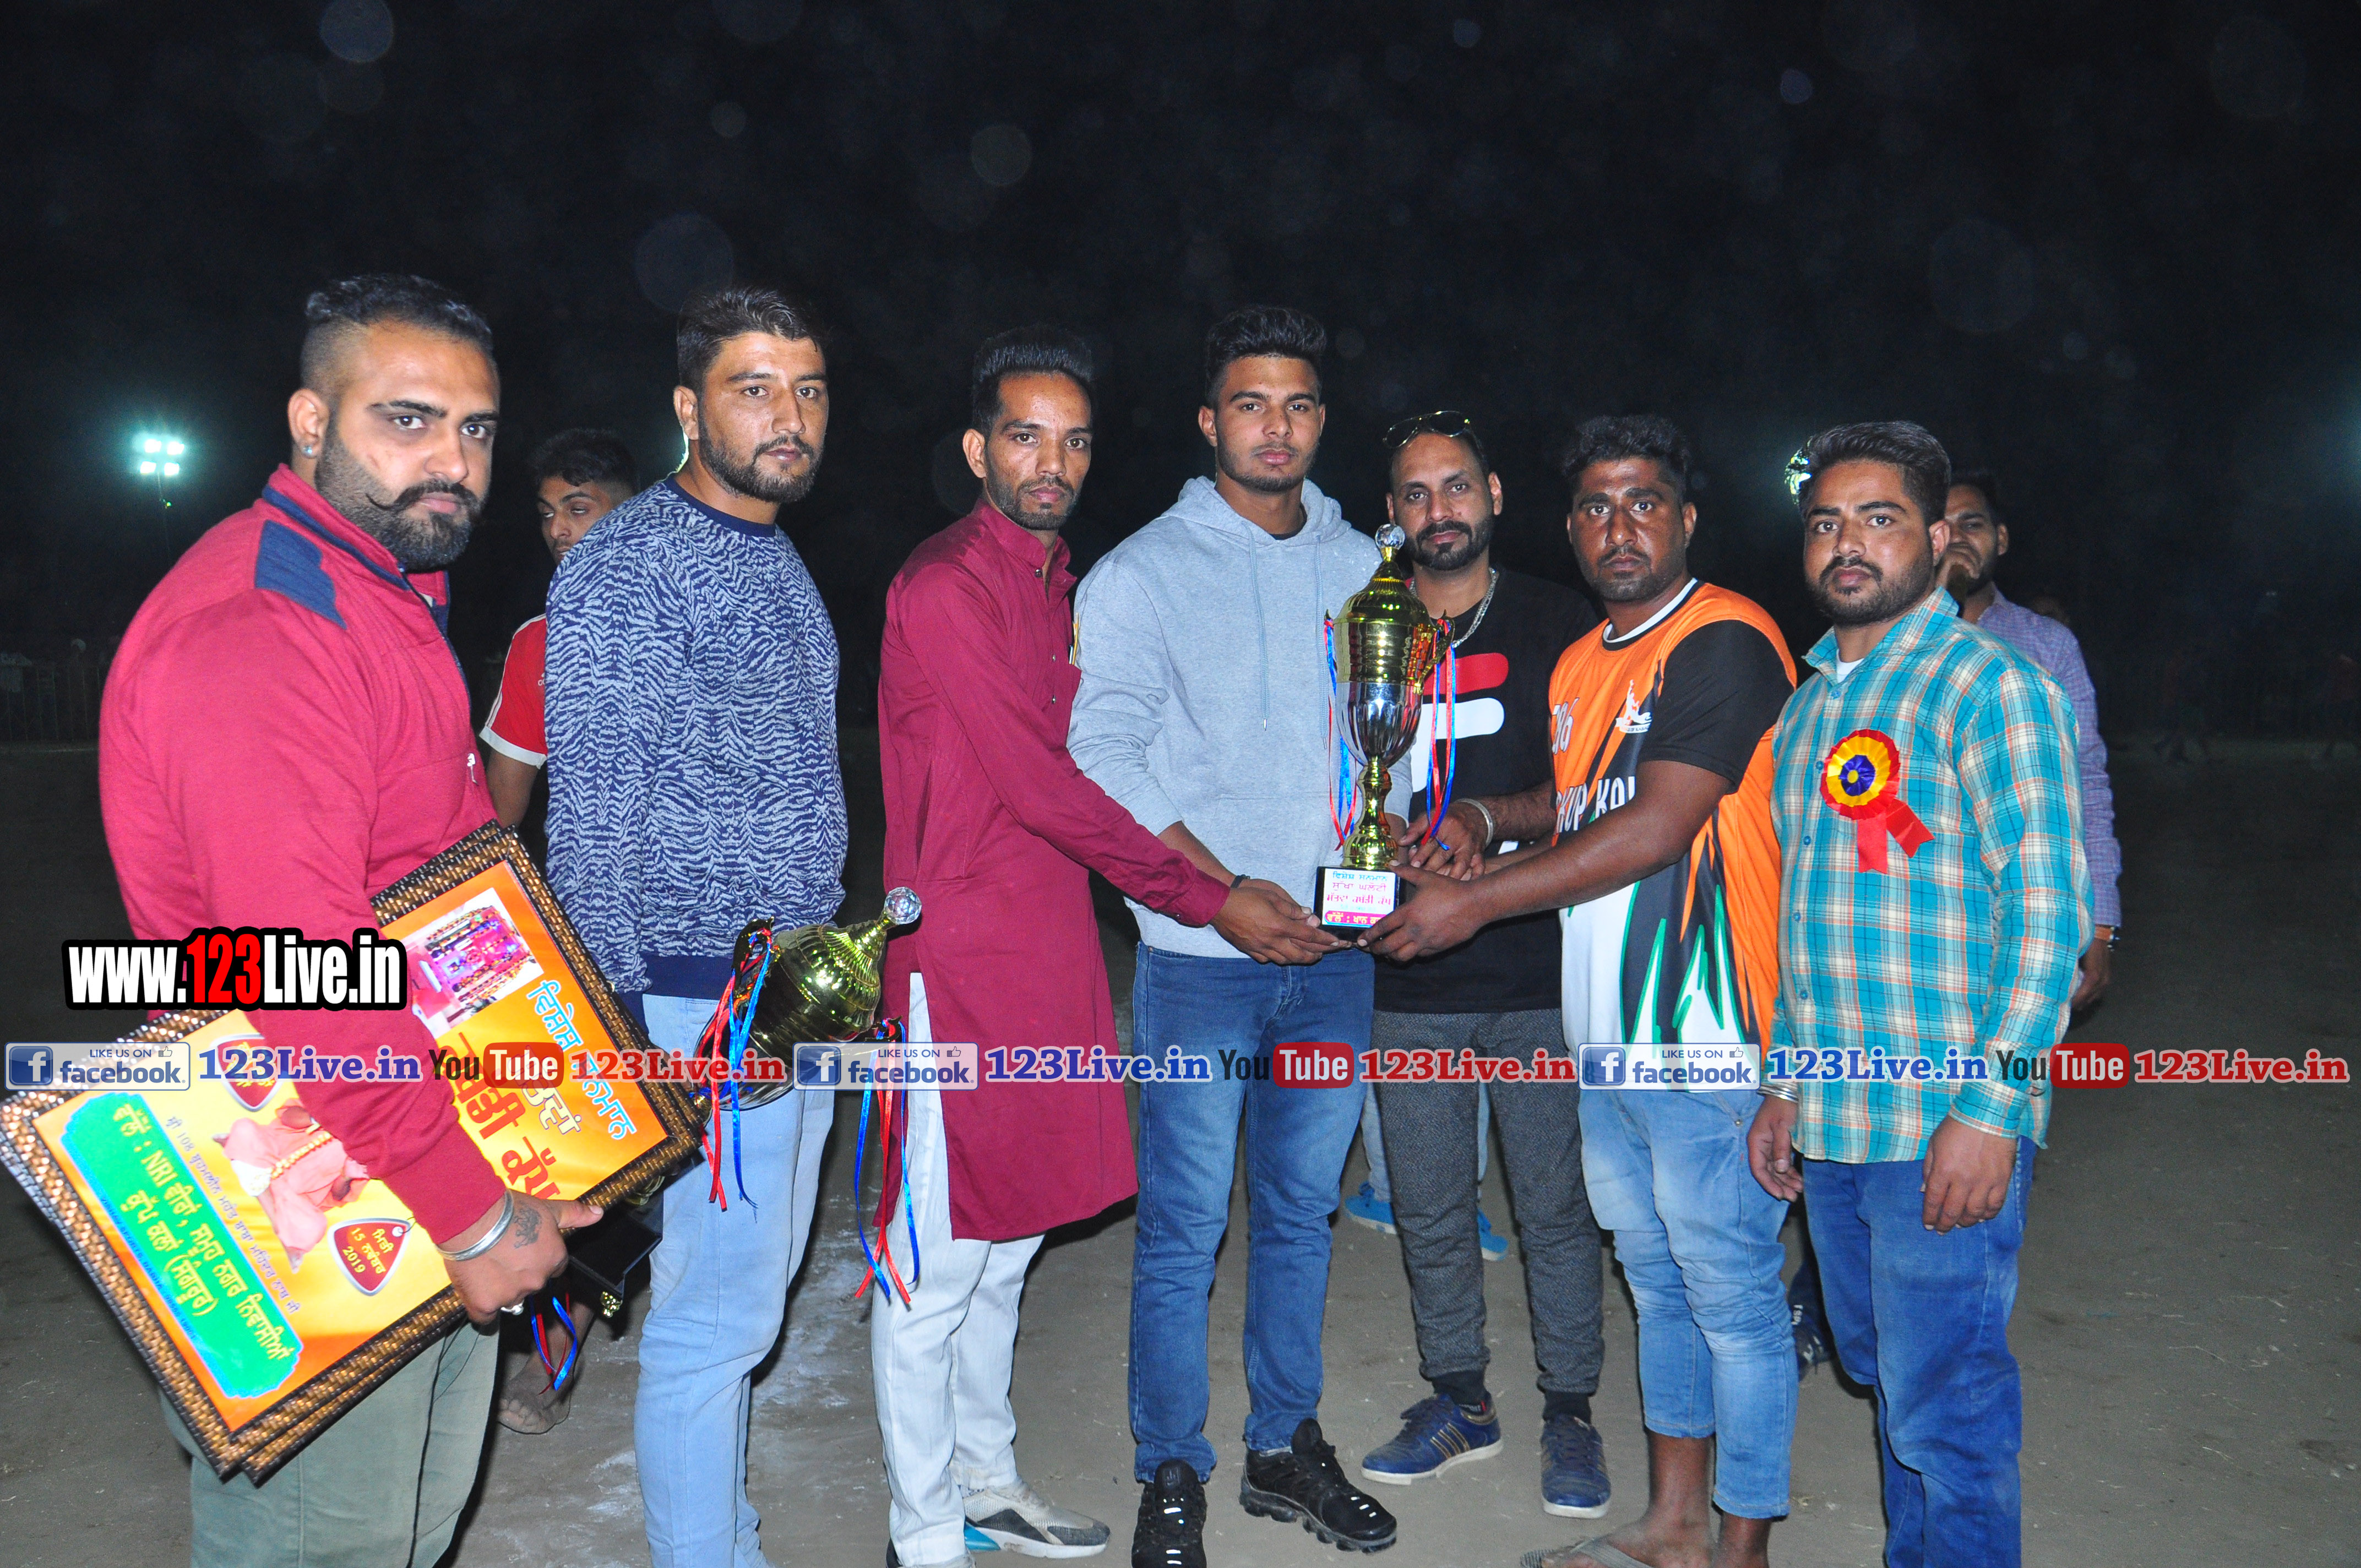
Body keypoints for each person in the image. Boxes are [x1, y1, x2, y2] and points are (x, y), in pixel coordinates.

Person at [100, 273, 592, 1567]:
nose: (453, 462)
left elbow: (433, 900)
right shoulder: (267, 625)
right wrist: (471, 1209)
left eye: (476, 429)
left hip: (400, 1144)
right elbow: (300, 973)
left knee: (405, 1531)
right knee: (327, 1544)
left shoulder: (379, 588)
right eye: (407, 420)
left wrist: (529, 1131)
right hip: (304, 1178)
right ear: (311, 420)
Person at [872, 326, 1314, 1568]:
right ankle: (921, 1530)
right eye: (1024, 436)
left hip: (1049, 945)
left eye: (1071, 441)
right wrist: (1206, 894)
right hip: (956, 962)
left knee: (1009, 1242)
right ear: (977, 449)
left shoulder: (1054, 580)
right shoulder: (945, 583)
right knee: (935, 1260)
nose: (1050, 462)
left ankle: (987, 1482)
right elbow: (1044, 783)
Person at [1366, 416, 1798, 1568]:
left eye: (1643, 501)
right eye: (1597, 506)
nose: (1619, 526)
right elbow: (1576, 804)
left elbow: (1655, 824)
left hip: (1706, 1030)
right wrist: (1479, 816)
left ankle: (1741, 1547)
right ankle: (1671, 1525)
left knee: (1732, 1299)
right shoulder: (1583, 662)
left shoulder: (1722, 638)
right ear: (1567, 524)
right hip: (1602, 1032)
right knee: (1656, 1285)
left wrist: (1474, 904)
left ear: (1685, 517)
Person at [1069, 305, 1400, 1566]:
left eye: (1298, 404)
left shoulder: (1368, 567)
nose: (1276, 426)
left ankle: (1282, 1445)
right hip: (1199, 965)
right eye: (1250, 404)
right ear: (1209, 422)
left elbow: (1397, 743)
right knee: (1182, 1227)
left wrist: (1398, 851)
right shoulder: (1139, 572)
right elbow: (1101, 755)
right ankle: (1171, 1466)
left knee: (1301, 1214)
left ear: (1320, 421)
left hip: (1332, 964)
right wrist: (1222, 894)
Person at [1749, 422, 2088, 1568]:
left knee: (1946, 1404)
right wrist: (1785, 1085)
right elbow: (1804, 924)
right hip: (1835, 1116)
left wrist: (1991, 1110)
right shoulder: (1805, 711)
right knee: (1884, 1373)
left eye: (1878, 517)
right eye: (1824, 522)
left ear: (1939, 538)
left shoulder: (1992, 688)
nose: (1845, 542)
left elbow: (2047, 914)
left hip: (1941, 1118)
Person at [545, 285, 845, 1568]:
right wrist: (616, 1027)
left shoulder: (771, 550)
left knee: (742, 1301)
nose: (790, 417)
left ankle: (723, 1530)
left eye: (808, 390)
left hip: (785, 991)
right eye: (754, 388)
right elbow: (591, 812)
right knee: (711, 1319)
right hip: (690, 998)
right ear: (687, 405)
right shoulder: (630, 564)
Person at [1346, 411, 1611, 1522]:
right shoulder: (1362, 625)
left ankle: (1569, 1409)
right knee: (1428, 1204)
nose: (1437, 510)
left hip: (1535, 970)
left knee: (1554, 1207)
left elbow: (1599, 785)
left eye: (1455, 486)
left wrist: (1490, 819)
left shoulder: (1562, 621)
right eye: (1414, 493)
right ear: (1391, 512)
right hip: (1405, 973)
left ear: (1493, 493)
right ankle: (1459, 1396)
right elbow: (1327, 775)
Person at [1940, 470, 2120, 1010]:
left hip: (2023, 911)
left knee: (2011, 1059)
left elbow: (2086, 781)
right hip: (1914, 908)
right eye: (1940, 527)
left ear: (2000, 538)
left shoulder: (2048, 647)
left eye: (1971, 524)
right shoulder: (1886, 646)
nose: (1955, 539)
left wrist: (2101, 924)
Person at [480, 428, 639, 831]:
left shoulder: (697, 614)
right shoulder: (538, 642)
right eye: (547, 514)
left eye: (578, 510)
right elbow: (501, 809)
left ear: (630, 516)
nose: (556, 530)